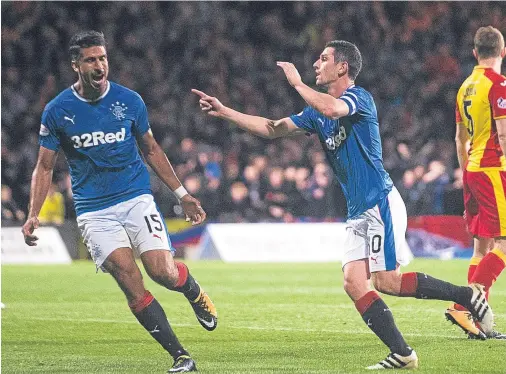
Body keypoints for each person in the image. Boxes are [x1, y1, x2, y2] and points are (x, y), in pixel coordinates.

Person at [192, 40, 494, 370]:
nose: (315, 65)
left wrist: (296, 84)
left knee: (387, 282)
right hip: (357, 211)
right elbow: (271, 128)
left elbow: (333, 110)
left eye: (323, 59)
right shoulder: (315, 115)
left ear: (342, 67)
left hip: (379, 201)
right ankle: (403, 354)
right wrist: (225, 111)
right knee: (353, 283)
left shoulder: (357, 99)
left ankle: (467, 297)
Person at [22, 30, 217, 373]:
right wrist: (33, 214)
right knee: (129, 281)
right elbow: (44, 165)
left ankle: (193, 290)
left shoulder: (129, 101)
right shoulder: (57, 112)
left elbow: (152, 149)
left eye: (103, 58)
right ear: (76, 66)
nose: (99, 66)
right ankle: (181, 356)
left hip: (136, 198)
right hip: (93, 211)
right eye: (91, 60)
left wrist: (183, 195)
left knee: (162, 273)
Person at [446, 25, 506, 340]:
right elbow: (504, 134)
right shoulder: (498, 85)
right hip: (494, 168)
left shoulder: (465, 86)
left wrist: (465, 173)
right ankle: (462, 305)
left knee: (481, 246)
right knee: (504, 243)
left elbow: (460, 139)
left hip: (471, 168)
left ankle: (478, 324)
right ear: (503, 51)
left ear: (474, 53)